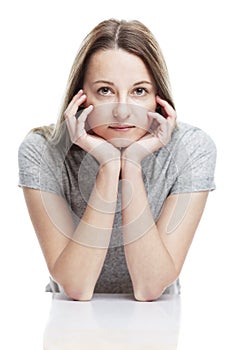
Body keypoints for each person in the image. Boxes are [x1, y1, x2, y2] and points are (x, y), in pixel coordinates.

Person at [18, 19, 216, 301]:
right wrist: (109, 167)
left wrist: (132, 164)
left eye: (139, 91)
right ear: (81, 97)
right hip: (69, 323)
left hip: (157, 324)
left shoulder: (193, 148)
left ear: (158, 98)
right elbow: (77, 287)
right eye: (105, 91)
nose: (122, 112)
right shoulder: (41, 150)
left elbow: (149, 289)